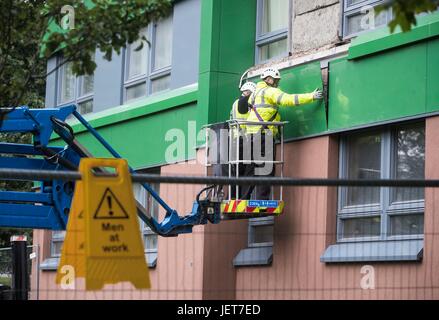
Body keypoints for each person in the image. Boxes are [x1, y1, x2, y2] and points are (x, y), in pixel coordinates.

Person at [241, 67, 324, 200]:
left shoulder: (255, 92)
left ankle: (242, 198)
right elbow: (288, 100)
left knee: (250, 168)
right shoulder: (270, 91)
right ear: (269, 79)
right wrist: (311, 96)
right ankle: (263, 200)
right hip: (263, 134)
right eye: (276, 80)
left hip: (250, 134)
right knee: (266, 168)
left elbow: (258, 110)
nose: (277, 83)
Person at [229, 82, 256, 199]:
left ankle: (235, 197)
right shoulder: (244, 103)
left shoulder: (236, 102)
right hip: (243, 139)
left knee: (237, 171)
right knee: (248, 169)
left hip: (235, 139)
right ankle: (242, 197)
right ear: (249, 92)